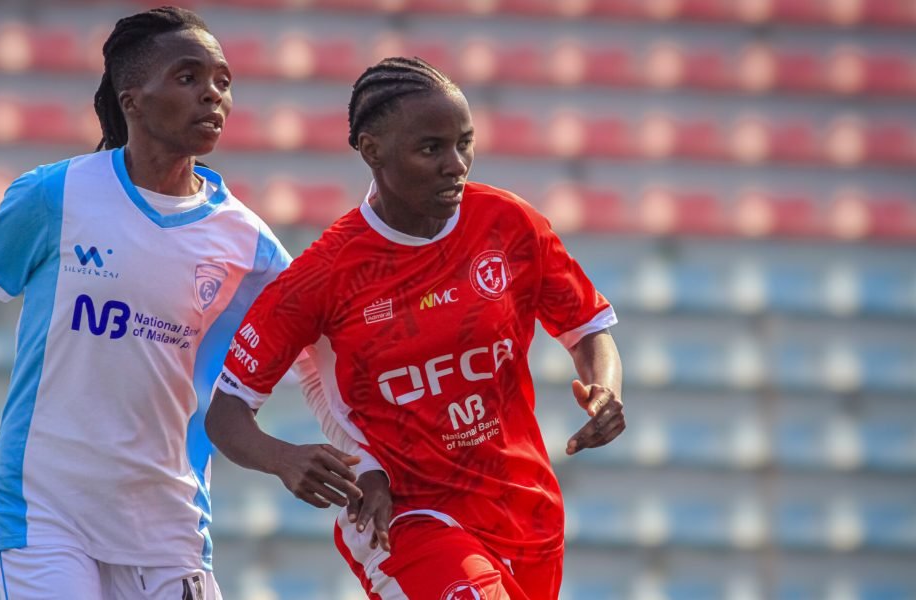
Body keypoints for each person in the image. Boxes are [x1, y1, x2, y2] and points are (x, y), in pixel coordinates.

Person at [0, 7, 369, 599]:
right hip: (45, 516)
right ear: (133, 99)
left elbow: (316, 361)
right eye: (188, 77)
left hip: (169, 523)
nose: (212, 96)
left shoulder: (247, 243)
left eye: (223, 81)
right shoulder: (57, 195)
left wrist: (364, 466)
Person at [206, 57, 626, 599]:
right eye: (431, 148)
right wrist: (286, 459)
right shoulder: (323, 276)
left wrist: (606, 390)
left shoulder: (508, 223)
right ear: (371, 149)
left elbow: (587, 329)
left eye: (464, 143)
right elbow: (227, 411)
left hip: (524, 506)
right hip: (405, 515)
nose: (456, 164)